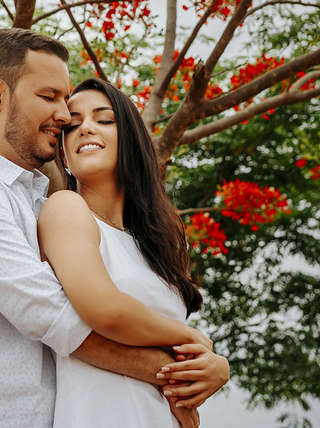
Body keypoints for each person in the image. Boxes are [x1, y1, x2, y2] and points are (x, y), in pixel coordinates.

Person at [0, 28, 228, 428]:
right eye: (49, 96)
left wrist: (210, 366)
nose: (64, 115)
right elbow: (54, 317)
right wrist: (174, 379)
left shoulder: (35, 201)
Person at [39, 77, 214, 428]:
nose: (85, 128)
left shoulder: (151, 245)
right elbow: (105, 311)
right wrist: (195, 338)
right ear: (64, 153)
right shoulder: (65, 208)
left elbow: (175, 360)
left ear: (131, 139)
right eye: (72, 125)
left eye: (104, 120)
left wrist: (213, 365)